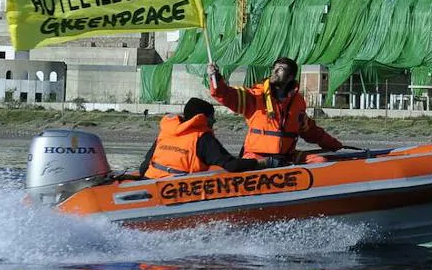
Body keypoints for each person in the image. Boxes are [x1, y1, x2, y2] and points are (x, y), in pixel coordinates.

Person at [208, 56, 342, 165]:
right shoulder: (256, 96)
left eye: (280, 69)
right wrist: (216, 79)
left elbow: (310, 130)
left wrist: (335, 145)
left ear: (290, 77)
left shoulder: (297, 103)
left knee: (321, 162)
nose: (275, 71)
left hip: (285, 157)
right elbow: (227, 95)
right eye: (274, 68)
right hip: (256, 157)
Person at [139, 97, 276, 178]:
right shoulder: (202, 138)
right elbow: (231, 165)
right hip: (177, 189)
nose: (214, 121)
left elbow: (144, 166)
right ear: (203, 118)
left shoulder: (166, 132)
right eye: (212, 117)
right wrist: (265, 163)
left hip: (151, 179)